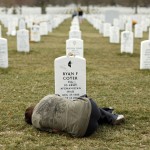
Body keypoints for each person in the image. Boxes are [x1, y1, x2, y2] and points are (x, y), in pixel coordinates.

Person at [25, 94, 125, 138]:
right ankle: (110, 115)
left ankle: (107, 113)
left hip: (85, 130)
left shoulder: (36, 123)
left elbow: (56, 130)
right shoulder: (46, 98)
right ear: (34, 106)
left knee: (83, 117)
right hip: (91, 108)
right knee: (82, 99)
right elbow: (62, 98)